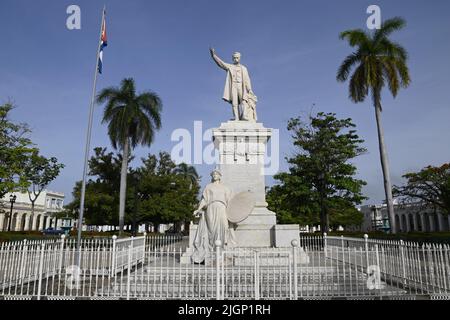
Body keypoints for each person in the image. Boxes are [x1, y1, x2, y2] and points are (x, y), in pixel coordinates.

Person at [192, 169, 236, 263]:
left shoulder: (225, 188)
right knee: (211, 230)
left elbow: (230, 201)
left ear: (220, 176)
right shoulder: (208, 187)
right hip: (211, 208)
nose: (215, 175)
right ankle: (212, 250)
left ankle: (222, 250)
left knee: (224, 226)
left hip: (222, 208)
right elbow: (204, 200)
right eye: (213, 174)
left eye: (217, 174)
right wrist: (198, 209)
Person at [210, 48, 257, 121]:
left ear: (240, 58)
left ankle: (244, 116)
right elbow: (221, 64)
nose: (236, 59)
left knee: (244, 101)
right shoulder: (230, 67)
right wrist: (213, 56)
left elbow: (247, 79)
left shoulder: (244, 68)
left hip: (241, 86)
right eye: (234, 58)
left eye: (237, 58)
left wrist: (249, 89)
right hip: (233, 86)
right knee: (234, 103)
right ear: (232, 59)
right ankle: (236, 117)